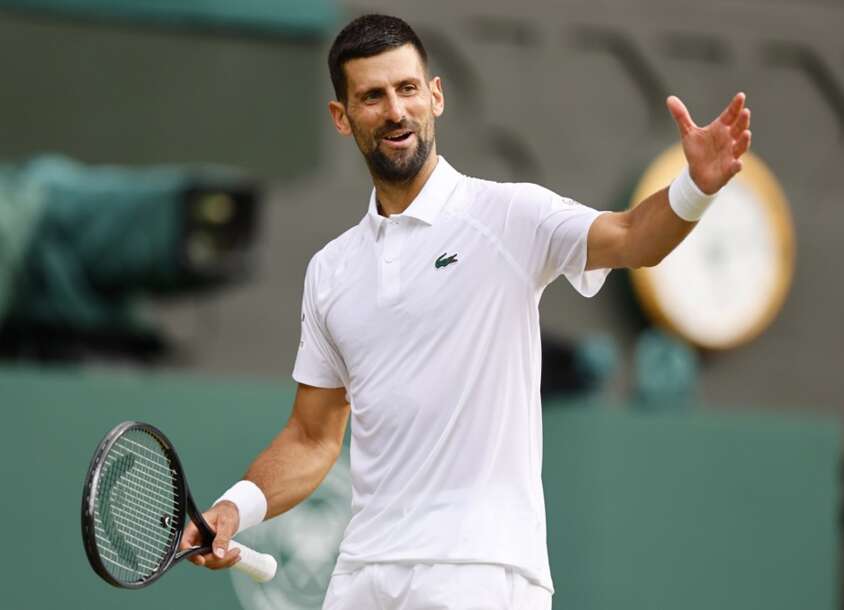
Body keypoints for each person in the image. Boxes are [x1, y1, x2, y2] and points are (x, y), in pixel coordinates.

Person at [180, 13, 752, 610]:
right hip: (363, 573)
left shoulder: (509, 215)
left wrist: (696, 186)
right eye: (372, 97)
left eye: (407, 89)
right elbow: (311, 436)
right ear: (342, 117)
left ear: (436, 95)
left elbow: (634, 237)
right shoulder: (331, 271)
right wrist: (233, 509)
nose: (395, 111)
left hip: (481, 569)